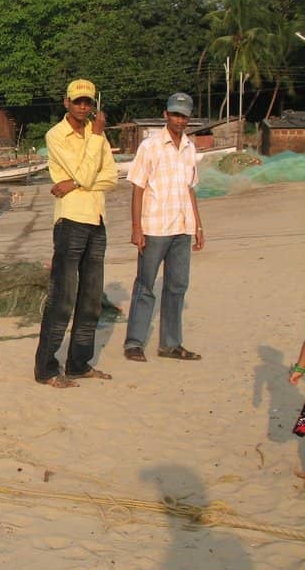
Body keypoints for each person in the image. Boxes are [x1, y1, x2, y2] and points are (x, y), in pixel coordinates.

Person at [34, 79, 118, 388]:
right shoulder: (56, 135)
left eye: (87, 102)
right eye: (78, 101)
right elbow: (84, 172)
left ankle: (79, 363)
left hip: (96, 219)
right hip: (70, 220)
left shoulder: (97, 135)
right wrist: (95, 140)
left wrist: (75, 183)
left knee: (91, 299)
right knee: (63, 298)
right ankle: (46, 368)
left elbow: (111, 177)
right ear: (66, 102)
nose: (83, 107)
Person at [123, 92, 204, 362]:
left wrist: (199, 226)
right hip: (154, 227)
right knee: (145, 285)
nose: (179, 120)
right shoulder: (150, 146)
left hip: (182, 228)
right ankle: (134, 343)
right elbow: (137, 187)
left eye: (184, 116)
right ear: (165, 115)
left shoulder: (190, 148)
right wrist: (136, 228)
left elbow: (191, 189)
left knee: (177, 286)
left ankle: (170, 344)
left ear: (189, 119)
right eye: (175, 114)